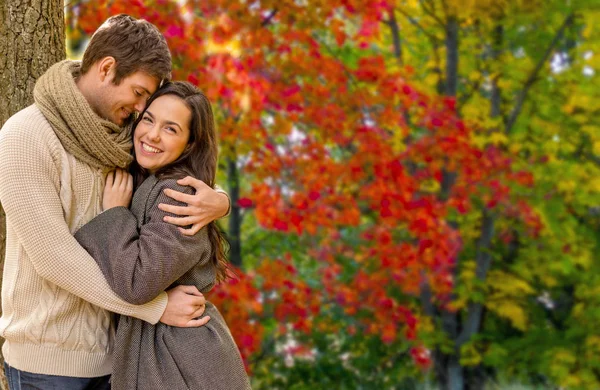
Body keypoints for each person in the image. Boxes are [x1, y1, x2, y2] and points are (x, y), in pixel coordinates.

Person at [0, 15, 230, 389]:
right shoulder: (26, 136)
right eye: (140, 93)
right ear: (107, 69)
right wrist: (156, 308)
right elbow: (53, 258)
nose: (141, 109)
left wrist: (221, 200)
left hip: (120, 359)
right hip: (49, 364)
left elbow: (178, 168)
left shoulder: (124, 135)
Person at [75, 81, 251, 390]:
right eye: (148, 119)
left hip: (179, 359)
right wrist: (222, 201)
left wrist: (114, 214)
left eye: (171, 129)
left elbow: (138, 283)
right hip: (164, 350)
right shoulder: (150, 177)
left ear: (190, 143)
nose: (152, 134)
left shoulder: (178, 192)